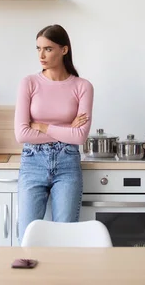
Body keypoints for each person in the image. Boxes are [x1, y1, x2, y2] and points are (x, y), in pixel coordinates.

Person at [14, 24, 94, 243]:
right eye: (38, 48)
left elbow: (79, 137)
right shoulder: (29, 83)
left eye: (48, 49)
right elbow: (21, 134)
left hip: (67, 163)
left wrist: (42, 126)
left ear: (64, 50)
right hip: (32, 162)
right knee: (27, 238)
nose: (41, 55)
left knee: (64, 238)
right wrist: (67, 129)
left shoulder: (82, 86)